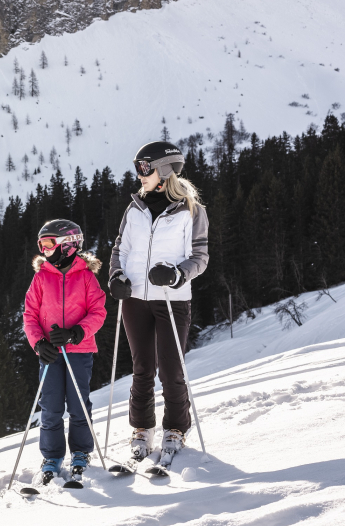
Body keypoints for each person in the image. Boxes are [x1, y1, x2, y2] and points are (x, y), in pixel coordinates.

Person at [108, 141, 209, 466]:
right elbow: (120, 250)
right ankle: (141, 429)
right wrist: (116, 276)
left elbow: (200, 257)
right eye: (138, 168)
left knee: (170, 369)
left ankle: (176, 428)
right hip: (135, 299)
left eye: (145, 168)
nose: (140, 175)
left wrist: (178, 274)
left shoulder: (191, 210)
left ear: (164, 170)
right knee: (141, 368)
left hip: (171, 299)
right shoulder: (134, 209)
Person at [23, 219, 107, 484]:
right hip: (49, 353)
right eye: (42, 245)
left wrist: (76, 333)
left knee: (78, 403)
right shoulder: (41, 277)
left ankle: (81, 452)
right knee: (50, 406)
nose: (44, 250)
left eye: (49, 244)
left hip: (79, 350)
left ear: (68, 245)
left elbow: (98, 311)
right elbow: (29, 315)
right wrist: (38, 343)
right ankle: (52, 456)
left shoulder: (86, 277)